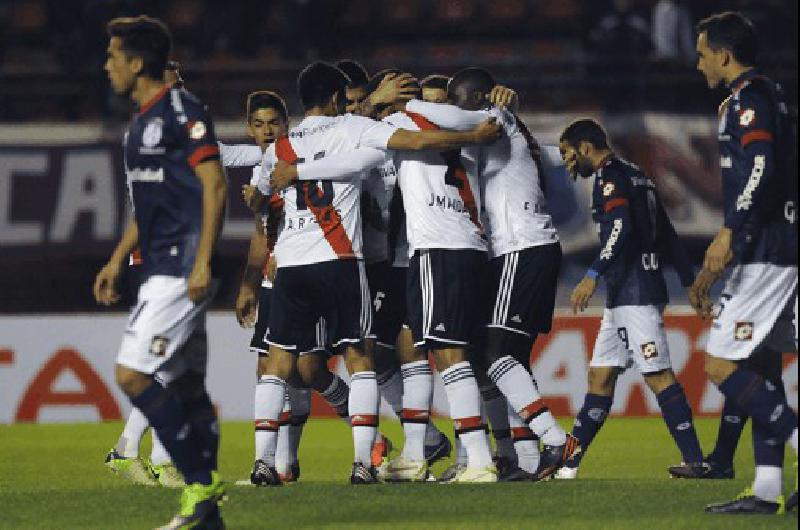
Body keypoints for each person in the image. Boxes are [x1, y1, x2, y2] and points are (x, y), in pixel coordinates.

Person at [247, 61, 501, 484]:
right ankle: (363, 462)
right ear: (333, 98)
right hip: (341, 259)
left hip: (290, 263)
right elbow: (412, 140)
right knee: (360, 358)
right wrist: (471, 136)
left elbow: (260, 196)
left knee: (277, 363)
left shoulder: (282, 147)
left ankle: (263, 462)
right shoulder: (354, 128)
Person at [94, 15, 227, 529]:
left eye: (113, 57)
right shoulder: (139, 122)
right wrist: (114, 259)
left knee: (132, 373)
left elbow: (213, 186)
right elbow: (146, 208)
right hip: (158, 266)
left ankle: (199, 482)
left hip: (179, 269)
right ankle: (206, 515)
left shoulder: (181, 111)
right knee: (188, 387)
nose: (107, 67)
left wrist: (202, 263)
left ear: (136, 62)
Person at [556, 118, 707, 480]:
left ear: (586, 147)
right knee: (600, 378)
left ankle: (695, 460)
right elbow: (667, 233)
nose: (568, 162)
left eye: (569, 153)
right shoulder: (637, 174)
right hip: (625, 294)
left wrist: (592, 274)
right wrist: (690, 280)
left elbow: (620, 226)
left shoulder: (610, 178)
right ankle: (567, 463)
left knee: (658, 375)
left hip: (635, 293)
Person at [691, 11, 798, 514]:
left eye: (702, 52)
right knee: (762, 366)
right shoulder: (770, 95)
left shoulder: (748, 100)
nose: (698, 63)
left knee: (720, 364)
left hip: (765, 251)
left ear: (724, 55)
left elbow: (760, 165)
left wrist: (730, 231)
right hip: (777, 244)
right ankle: (767, 490)